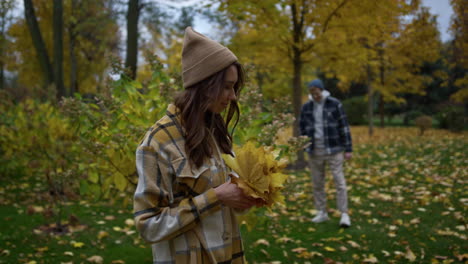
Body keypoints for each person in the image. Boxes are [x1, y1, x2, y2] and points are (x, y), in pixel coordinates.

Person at [133, 27, 260, 263]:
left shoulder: (215, 132)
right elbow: (148, 226)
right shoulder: (157, 142)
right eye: (226, 86)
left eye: (234, 87)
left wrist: (247, 194)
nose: (233, 96)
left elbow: (226, 202)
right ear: (204, 84)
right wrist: (216, 198)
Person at [299, 79, 353, 227]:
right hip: (314, 151)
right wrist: (304, 145)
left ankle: (344, 214)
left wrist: (348, 149)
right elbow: (302, 128)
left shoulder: (335, 104)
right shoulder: (306, 107)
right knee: (317, 183)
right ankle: (321, 212)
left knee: (339, 182)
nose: (315, 95)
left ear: (322, 90)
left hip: (334, 149)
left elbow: (344, 127)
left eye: (317, 92)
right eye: (312, 92)